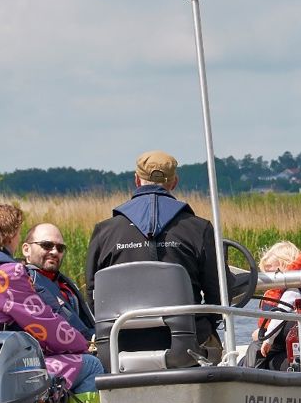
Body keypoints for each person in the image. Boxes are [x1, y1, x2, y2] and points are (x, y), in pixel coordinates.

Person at [0, 202, 104, 398]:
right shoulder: (8, 272)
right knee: (91, 365)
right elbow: (43, 323)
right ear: (11, 235)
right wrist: (82, 346)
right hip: (3, 371)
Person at [85, 150, 223, 359]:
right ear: (174, 182)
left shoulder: (104, 231)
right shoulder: (199, 228)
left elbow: (93, 294)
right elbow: (217, 293)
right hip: (185, 346)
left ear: (137, 180)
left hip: (119, 347)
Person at [255, 239, 301, 370]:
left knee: (254, 352)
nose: (270, 281)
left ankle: (250, 377)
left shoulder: (292, 291)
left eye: (273, 275)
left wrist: (267, 339)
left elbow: (280, 313)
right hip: (285, 341)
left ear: (287, 267)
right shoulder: (294, 290)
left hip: (284, 339)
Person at [22, 222, 95, 337]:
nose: (55, 252)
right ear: (26, 250)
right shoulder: (24, 283)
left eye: (60, 248)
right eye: (46, 245)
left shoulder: (64, 283)